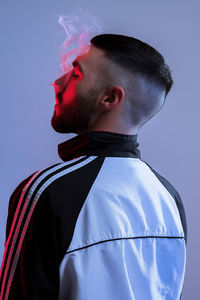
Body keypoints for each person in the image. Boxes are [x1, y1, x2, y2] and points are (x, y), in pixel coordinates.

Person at [0, 34, 187, 300]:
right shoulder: (168, 197)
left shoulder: (46, 191)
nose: (57, 82)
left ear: (110, 98)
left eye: (76, 74)